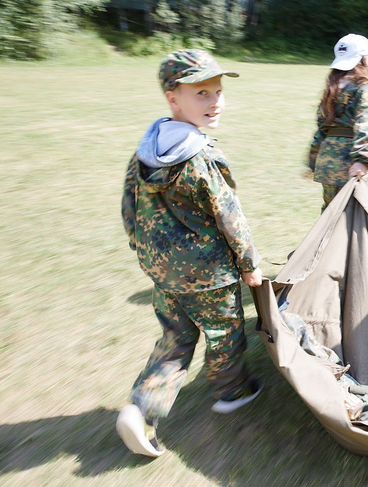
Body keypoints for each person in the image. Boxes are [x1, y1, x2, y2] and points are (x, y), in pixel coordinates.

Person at [117, 49, 264, 457]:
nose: (214, 101)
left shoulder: (145, 151)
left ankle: (141, 408)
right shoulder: (201, 156)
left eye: (217, 91)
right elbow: (230, 216)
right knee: (224, 334)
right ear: (173, 98)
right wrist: (250, 265)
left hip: (162, 272)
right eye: (201, 93)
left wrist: (143, 253)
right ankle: (232, 390)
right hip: (210, 274)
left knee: (177, 337)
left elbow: (129, 209)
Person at [307, 33, 368, 211]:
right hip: (351, 163)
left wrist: (314, 159)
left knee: (331, 216)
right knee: (354, 220)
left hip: (327, 162)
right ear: (365, 59)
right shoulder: (366, 89)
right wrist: (362, 160)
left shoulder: (332, 88)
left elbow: (322, 128)